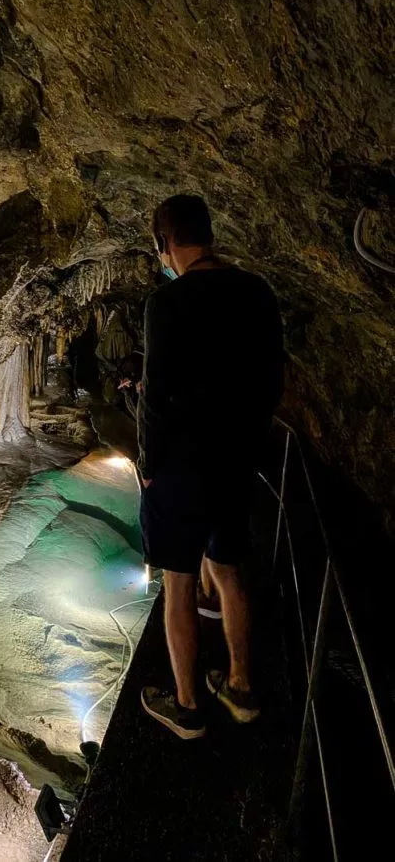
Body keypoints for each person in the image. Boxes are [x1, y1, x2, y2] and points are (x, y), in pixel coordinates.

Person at [138, 194, 284, 740]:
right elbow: (272, 384)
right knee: (227, 571)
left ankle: (188, 705)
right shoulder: (257, 293)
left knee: (178, 585)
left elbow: (154, 396)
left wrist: (149, 464)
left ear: (167, 243)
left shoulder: (167, 303)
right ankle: (242, 686)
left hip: (179, 465)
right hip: (236, 460)